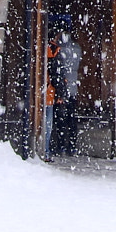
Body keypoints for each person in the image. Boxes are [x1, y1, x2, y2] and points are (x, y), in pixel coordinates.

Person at [43, 25, 84, 160]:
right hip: (70, 86)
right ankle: (71, 146)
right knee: (70, 117)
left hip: (60, 87)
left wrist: (61, 91)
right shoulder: (76, 48)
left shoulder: (58, 49)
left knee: (58, 118)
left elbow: (57, 71)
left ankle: (59, 145)